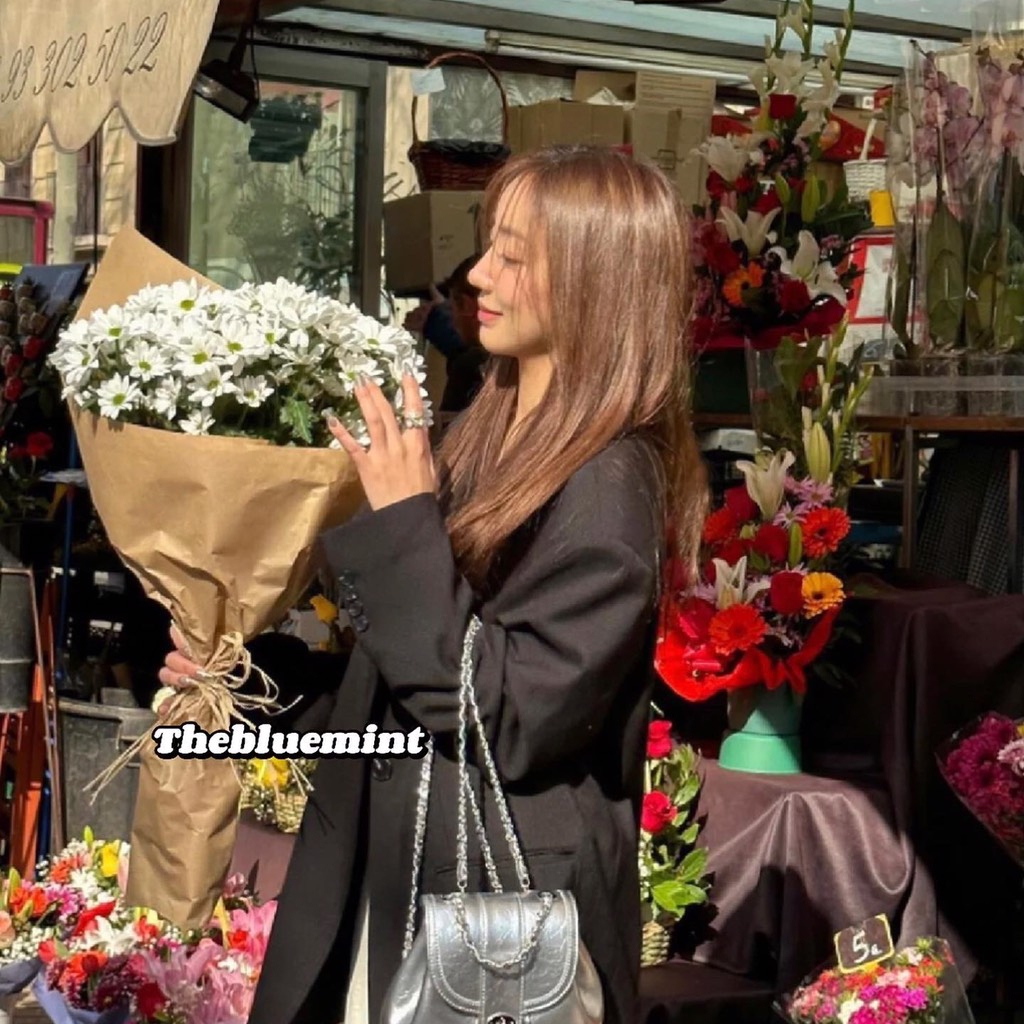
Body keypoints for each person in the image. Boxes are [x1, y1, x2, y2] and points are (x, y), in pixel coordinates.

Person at [160, 144, 708, 1024]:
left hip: (496, 920)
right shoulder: (487, 432)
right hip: (406, 875)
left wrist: (407, 521)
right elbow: (404, 672)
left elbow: (512, 716)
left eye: (515, 257)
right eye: (489, 244)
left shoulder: (611, 483)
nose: (478, 273)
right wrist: (249, 681)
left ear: (597, 281)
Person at [404, 256, 488, 413]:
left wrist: (437, 321)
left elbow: (451, 432)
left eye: (453, 306)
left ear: (467, 305)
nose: (452, 316)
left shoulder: (472, 366)